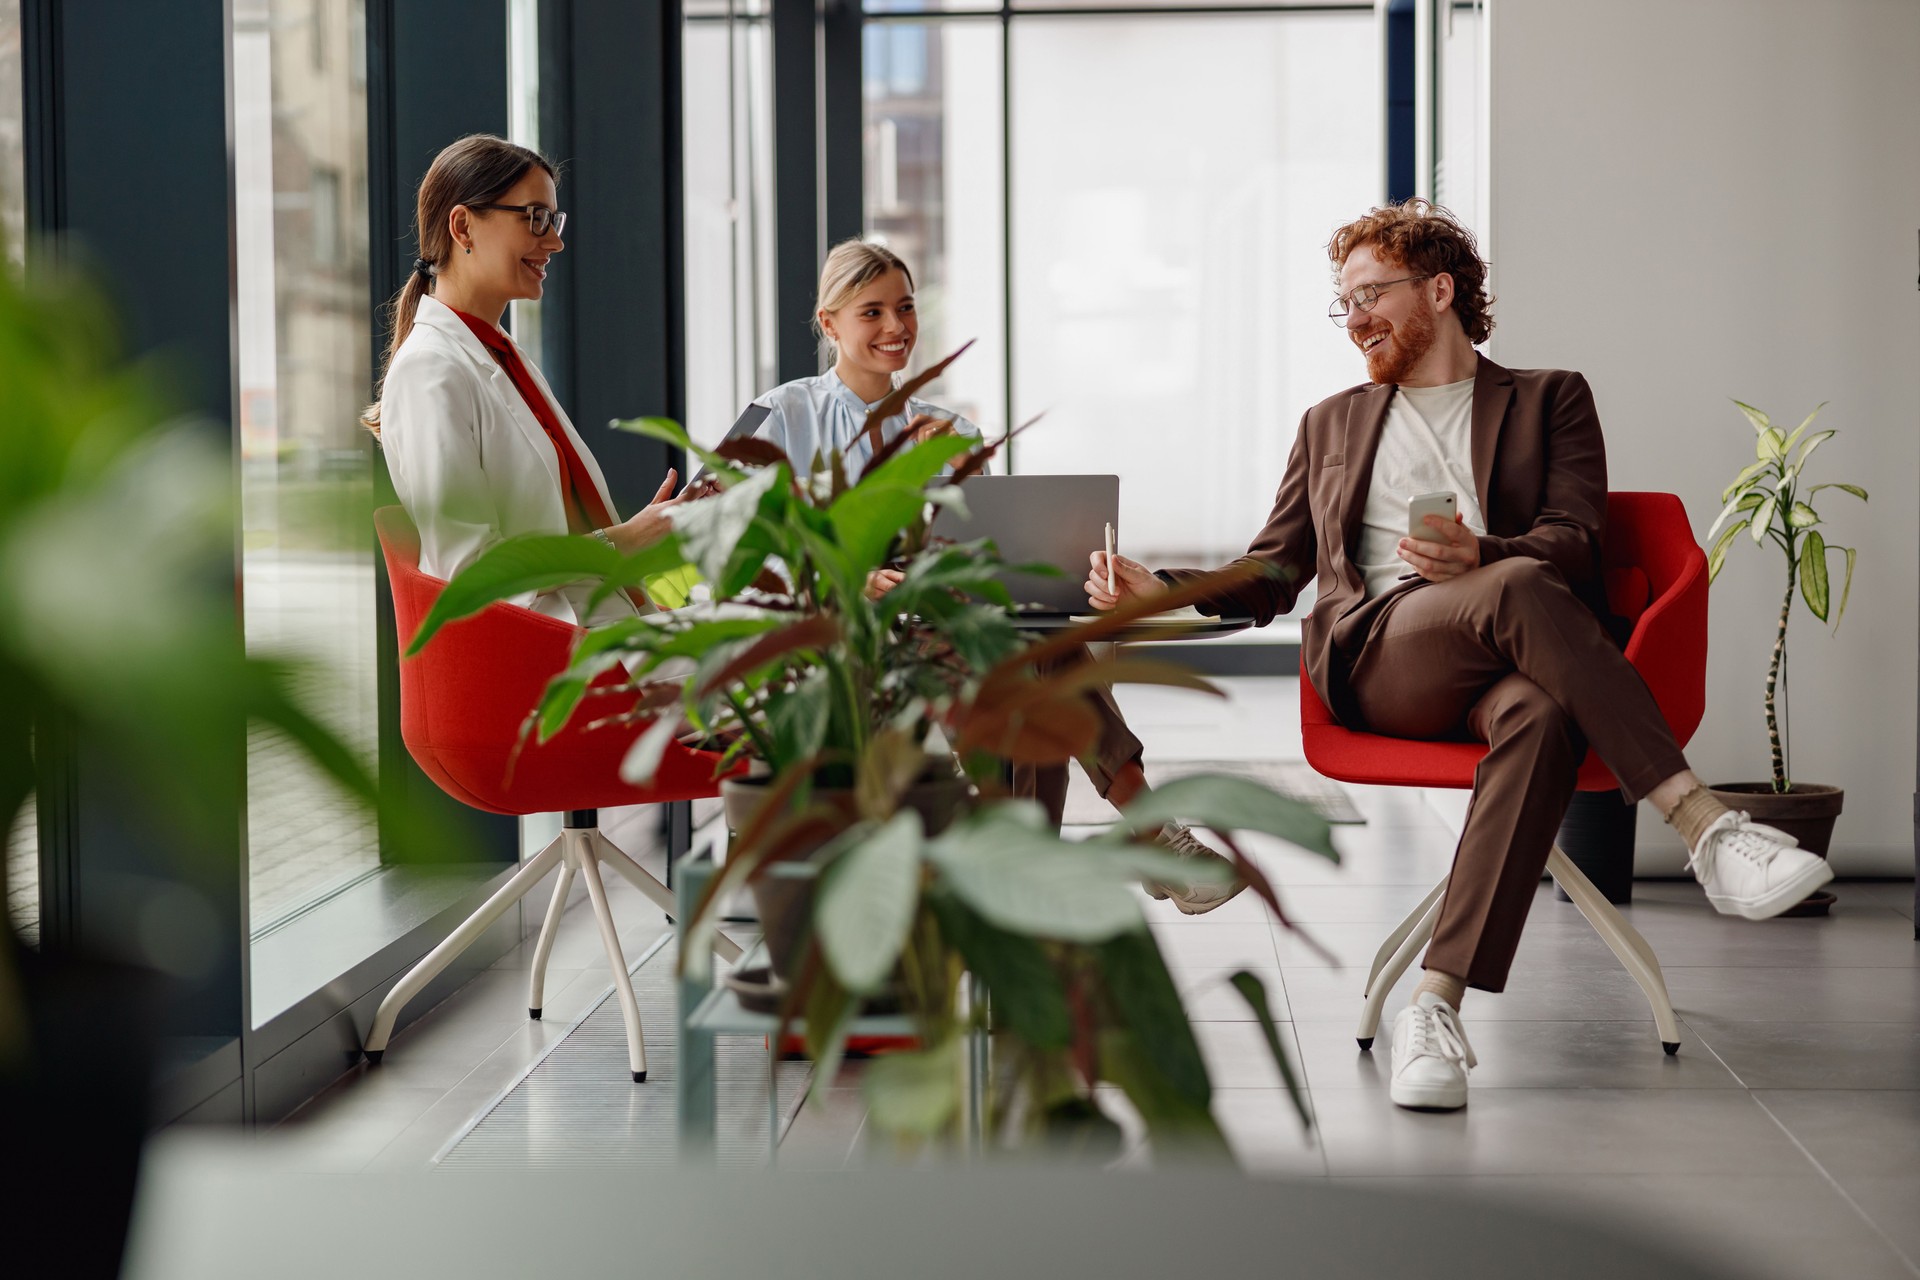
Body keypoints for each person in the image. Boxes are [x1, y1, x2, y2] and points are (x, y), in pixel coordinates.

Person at [1085, 199, 1833, 1111]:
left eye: (1372, 294)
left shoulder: (1550, 396)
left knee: (1542, 712)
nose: (1353, 317)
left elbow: (1575, 542)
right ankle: (1704, 826)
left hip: (1512, 656)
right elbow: (1275, 569)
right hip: (1381, 661)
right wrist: (1157, 589)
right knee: (1517, 591)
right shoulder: (1331, 423)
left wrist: (1483, 555)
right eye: (1343, 301)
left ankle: (1433, 1007)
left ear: (1439, 291)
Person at [751, 239, 1243, 914]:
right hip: (841, 631)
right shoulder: (783, 414)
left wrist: (947, 484)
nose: (897, 327)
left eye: (906, 307)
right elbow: (731, 534)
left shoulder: (946, 426)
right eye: (872, 312)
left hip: (944, 619)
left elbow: (993, 551)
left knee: (1027, 646)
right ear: (830, 323)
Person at [365, 134, 696, 625]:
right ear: (463, 227)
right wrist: (621, 540)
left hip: (598, 619)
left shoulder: (500, 353)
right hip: (544, 646)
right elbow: (470, 570)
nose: (556, 241)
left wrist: (648, 531)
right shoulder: (429, 370)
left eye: (554, 221)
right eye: (536, 218)